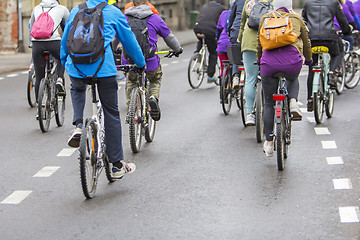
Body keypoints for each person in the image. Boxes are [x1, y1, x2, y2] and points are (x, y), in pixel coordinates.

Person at [60, 0, 146, 179]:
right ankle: (116, 166)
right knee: (111, 112)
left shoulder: (76, 10)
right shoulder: (113, 12)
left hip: (76, 67)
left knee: (77, 89)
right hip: (103, 69)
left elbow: (65, 39)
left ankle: (78, 125)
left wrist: (65, 62)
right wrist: (140, 63)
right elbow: (129, 41)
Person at [257, 0, 312, 157]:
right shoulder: (296, 19)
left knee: (269, 103)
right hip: (291, 62)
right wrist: (308, 60)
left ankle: (268, 142)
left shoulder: (265, 18)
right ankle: (293, 102)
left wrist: (259, 60)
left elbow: (259, 43)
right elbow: (307, 43)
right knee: (293, 79)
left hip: (268, 64)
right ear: (290, 5)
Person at [123, 0, 183, 122]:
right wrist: (177, 49)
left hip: (129, 60)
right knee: (155, 79)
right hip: (149, 61)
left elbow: (115, 38)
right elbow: (169, 37)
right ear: (147, 2)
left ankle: (131, 110)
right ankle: (153, 98)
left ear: (132, 3)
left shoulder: (124, 18)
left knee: (131, 81)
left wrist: (114, 51)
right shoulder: (155, 18)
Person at [302, 0, 351, 112]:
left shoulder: (307, 3)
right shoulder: (333, 3)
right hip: (329, 38)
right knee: (336, 54)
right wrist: (347, 31)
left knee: (312, 68)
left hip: (312, 39)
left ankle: (310, 100)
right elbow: (342, 20)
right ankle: (332, 73)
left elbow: (303, 21)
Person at [238, 0, 272, 126]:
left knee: (250, 78)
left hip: (249, 42)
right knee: (268, 76)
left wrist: (240, 39)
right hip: (268, 41)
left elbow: (242, 23)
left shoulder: (249, 1)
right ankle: (270, 108)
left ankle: (250, 114)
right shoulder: (271, 1)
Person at [30, 0, 69, 103]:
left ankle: (39, 106)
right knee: (62, 58)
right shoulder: (62, 9)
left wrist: (31, 44)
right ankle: (60, 78)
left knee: (39, 77)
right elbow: (68, 27)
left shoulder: (36, 8)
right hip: (54, 42)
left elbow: (32, 26)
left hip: (37, 44)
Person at [194, 0, 225, 83]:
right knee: (213, 52)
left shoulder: (206, 5)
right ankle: (210, 76)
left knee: (202, 38)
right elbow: (221, 23)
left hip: (197, 27)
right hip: (210, 30)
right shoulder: (222, 8)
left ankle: (197, 53)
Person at [227, 0, 246, 88]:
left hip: (236, 32)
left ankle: (236, 77)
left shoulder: (238, 1)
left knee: (236, 56)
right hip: (250, 33)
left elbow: (231, 17)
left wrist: (229, 31)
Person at [216, 7, 231, 78]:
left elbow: (218, 28)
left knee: (223, 66)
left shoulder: (224, 13)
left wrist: (217, 38)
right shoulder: (239, 14)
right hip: (233, 45)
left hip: (222, 44)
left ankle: (223, 83)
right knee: (235, 65)